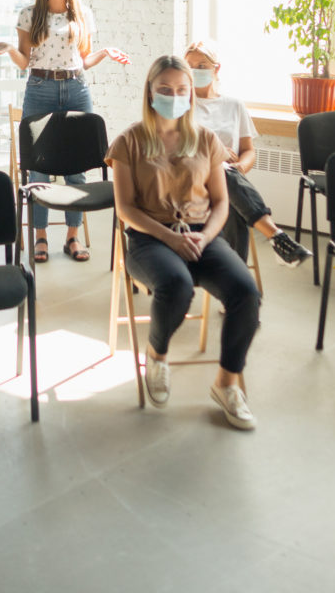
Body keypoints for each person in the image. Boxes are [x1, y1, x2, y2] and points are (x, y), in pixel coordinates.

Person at [108, 55, 262, 430]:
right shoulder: (128, 141)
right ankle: (157, 355)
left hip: (201, 235)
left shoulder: (206, 140)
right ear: (149, 93)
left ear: (191, 94)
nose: (174, 96)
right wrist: (169, 240)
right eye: (165, 90)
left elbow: (222, 201)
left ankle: (226, 383)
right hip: (149, 238)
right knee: (176, 286)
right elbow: (125, 208)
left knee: (246, 292)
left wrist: (205, 236)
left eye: (181, 90)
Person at [0, 0, 129, 263]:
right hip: (40, 89)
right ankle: (40, 237)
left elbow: (84, 58)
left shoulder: (82, 14)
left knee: (78, 167)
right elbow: (25, 62)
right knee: (40, 167)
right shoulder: (29, 14)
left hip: (76, 88)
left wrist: (105, 53)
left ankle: (73, 237)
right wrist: (10, 50)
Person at [184, 39, 312, 267]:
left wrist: (239, 168)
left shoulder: (234, 105)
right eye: (190, 66)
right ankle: (275, 238)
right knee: (221, 172)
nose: (195, 71)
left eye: (202, 66)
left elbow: (248, 151)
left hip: (227, 180)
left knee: (227, 188)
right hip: (191, 182)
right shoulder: (182, 105)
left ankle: (236, 280)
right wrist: (215, 152)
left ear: (216, 68)